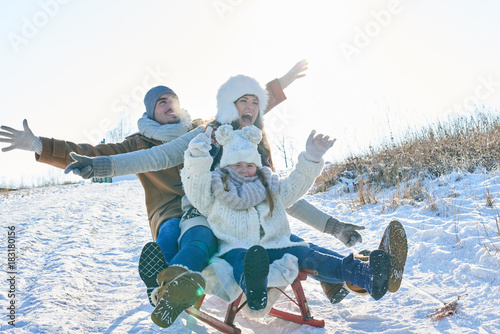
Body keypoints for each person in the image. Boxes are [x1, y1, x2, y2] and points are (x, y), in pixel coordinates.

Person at [0, 61, 308, 307]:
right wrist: (40, 145)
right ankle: (158, 281)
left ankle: (171, 284)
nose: (169, 105)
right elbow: (94, 153)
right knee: (171, 233)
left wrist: (281, 84)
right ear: (151, 111)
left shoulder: (202, 129)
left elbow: (244, 109)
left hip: (208, 204)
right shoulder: (139, 143)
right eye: (161, 102)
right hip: (167, 210)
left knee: (205, 236)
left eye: (172, 100)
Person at [176, 124, 395, 324]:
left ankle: (366, 275)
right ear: (226, 164)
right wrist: (197, 156)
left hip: (279, 245)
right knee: (243, 262)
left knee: (314, 258)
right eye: (237, 164)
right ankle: (255, 292)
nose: (244, 169)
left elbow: (296, 186)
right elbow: (195, 187)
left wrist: (311, 158)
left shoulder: (270, 186)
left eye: (249, 164)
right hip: (236, 248)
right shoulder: (215, 190)